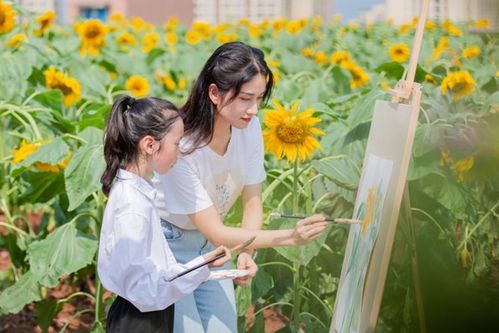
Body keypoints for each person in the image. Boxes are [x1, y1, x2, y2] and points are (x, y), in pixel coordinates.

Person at [154, 41, 328, 333]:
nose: (253, 109)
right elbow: (215, 229)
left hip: (214, 247)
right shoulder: (182, 148)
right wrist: (290, 237)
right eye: (246, 98)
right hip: (170, 246)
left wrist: (248, 251)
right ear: (214, 93)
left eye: (259, 99)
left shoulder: (250, 130)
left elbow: (253, 200)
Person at [97, 95, 231, 333]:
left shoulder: (137, 193)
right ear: (150, 145)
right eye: (177, 143)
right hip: (140, 320)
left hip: (145, 315)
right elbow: (144, 290)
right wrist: (202, 264)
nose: (179, 153)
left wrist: (204, 265)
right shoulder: (132, 206)